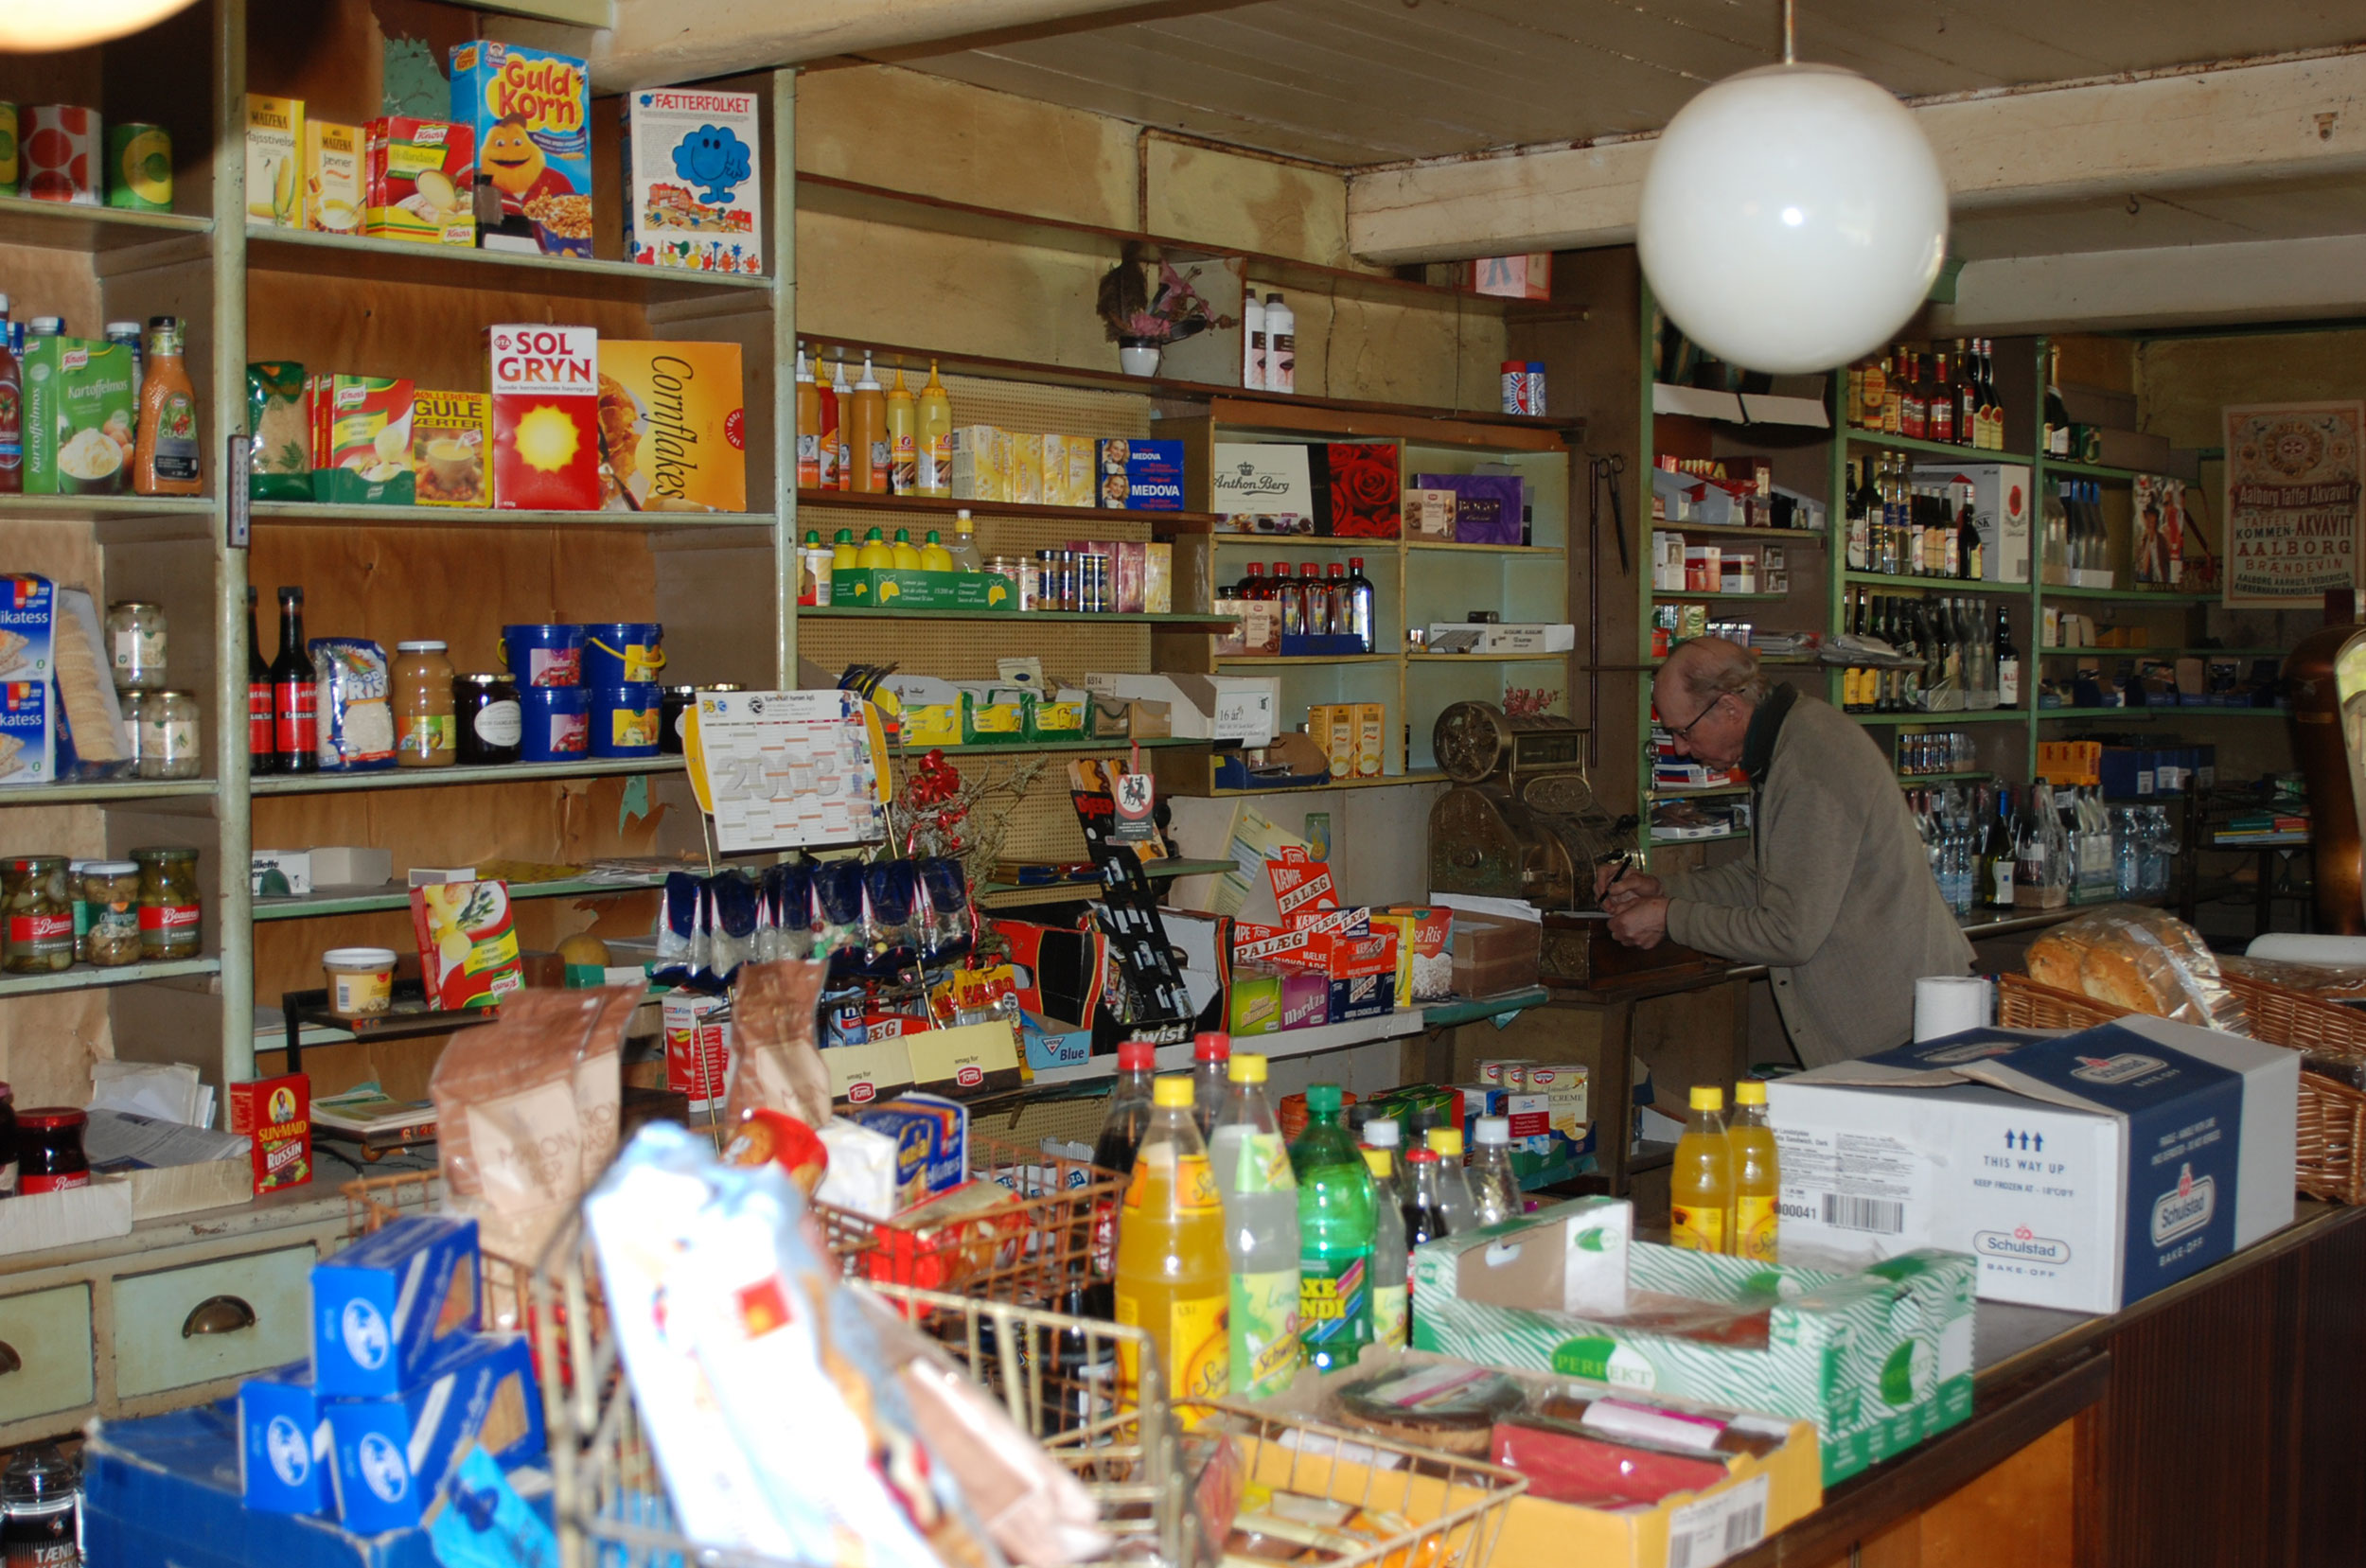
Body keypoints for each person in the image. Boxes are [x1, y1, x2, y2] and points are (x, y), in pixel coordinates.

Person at [1599, 637, 1972, 1065]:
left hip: (1906, 1028)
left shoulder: (1809, 763)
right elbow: (1760, 879)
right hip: (1894, 1019)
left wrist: (1668, 918)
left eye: (1684, 732)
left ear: (1729, 708)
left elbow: (1788, 934)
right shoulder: (1784, 743)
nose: (1681, 748)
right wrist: (1661, 889)